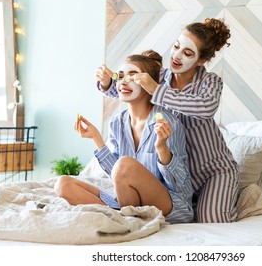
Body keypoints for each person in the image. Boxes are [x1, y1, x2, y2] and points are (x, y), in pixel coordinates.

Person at [95, 18, 240, 223]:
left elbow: (206, 108)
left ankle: (237, 197)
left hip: (211, 171)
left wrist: (155, 89)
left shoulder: (210, 82)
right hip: (177, 173)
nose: (177, 56)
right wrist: (108, 82)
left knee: (211, 220)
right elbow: (129, 88)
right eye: (176, 46)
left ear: (200, 60)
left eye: (188, 53)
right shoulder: (160, 76)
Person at [55, 54, 193, 224]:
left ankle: (124, 219)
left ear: (148, 83)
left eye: (133, 76)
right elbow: (118, 175)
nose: (123, 82)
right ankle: (121, 218)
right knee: (63, 184)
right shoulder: (116, 123)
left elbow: (181, 185)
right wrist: (96, 138)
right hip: (128, 203)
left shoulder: (168, 122)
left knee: (124, 164)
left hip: (169, 204)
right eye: (120, 76)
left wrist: (162, 148)